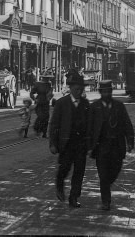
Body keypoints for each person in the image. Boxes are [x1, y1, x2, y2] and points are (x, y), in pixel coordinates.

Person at [88, 79, 134, 211]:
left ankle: (106, 186)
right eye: (104, 91)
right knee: (103, 175)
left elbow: (127, 124)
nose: (107, 94)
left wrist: (130, 141)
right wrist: (89, 146)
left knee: (115, 171)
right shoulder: (94, 107)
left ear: (111, 92)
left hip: (116, 146)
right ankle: (105, 201)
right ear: (100, 92)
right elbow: (89, 127)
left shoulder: (119, 106)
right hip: (101, 146)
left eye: (109, 91)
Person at [48, 72, 92, 208]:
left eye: (81, 89)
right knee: (64, 169)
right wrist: (53, 144)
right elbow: (54, 124)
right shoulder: (62, 103)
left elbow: (90, 124)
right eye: (76, 89)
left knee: (79, 172)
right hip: (66, 144)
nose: (79, 92)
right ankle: (59, 184)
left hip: (81, 145)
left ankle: (74, 197)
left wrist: (90, 143)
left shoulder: (85, 104)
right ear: (71, 89)